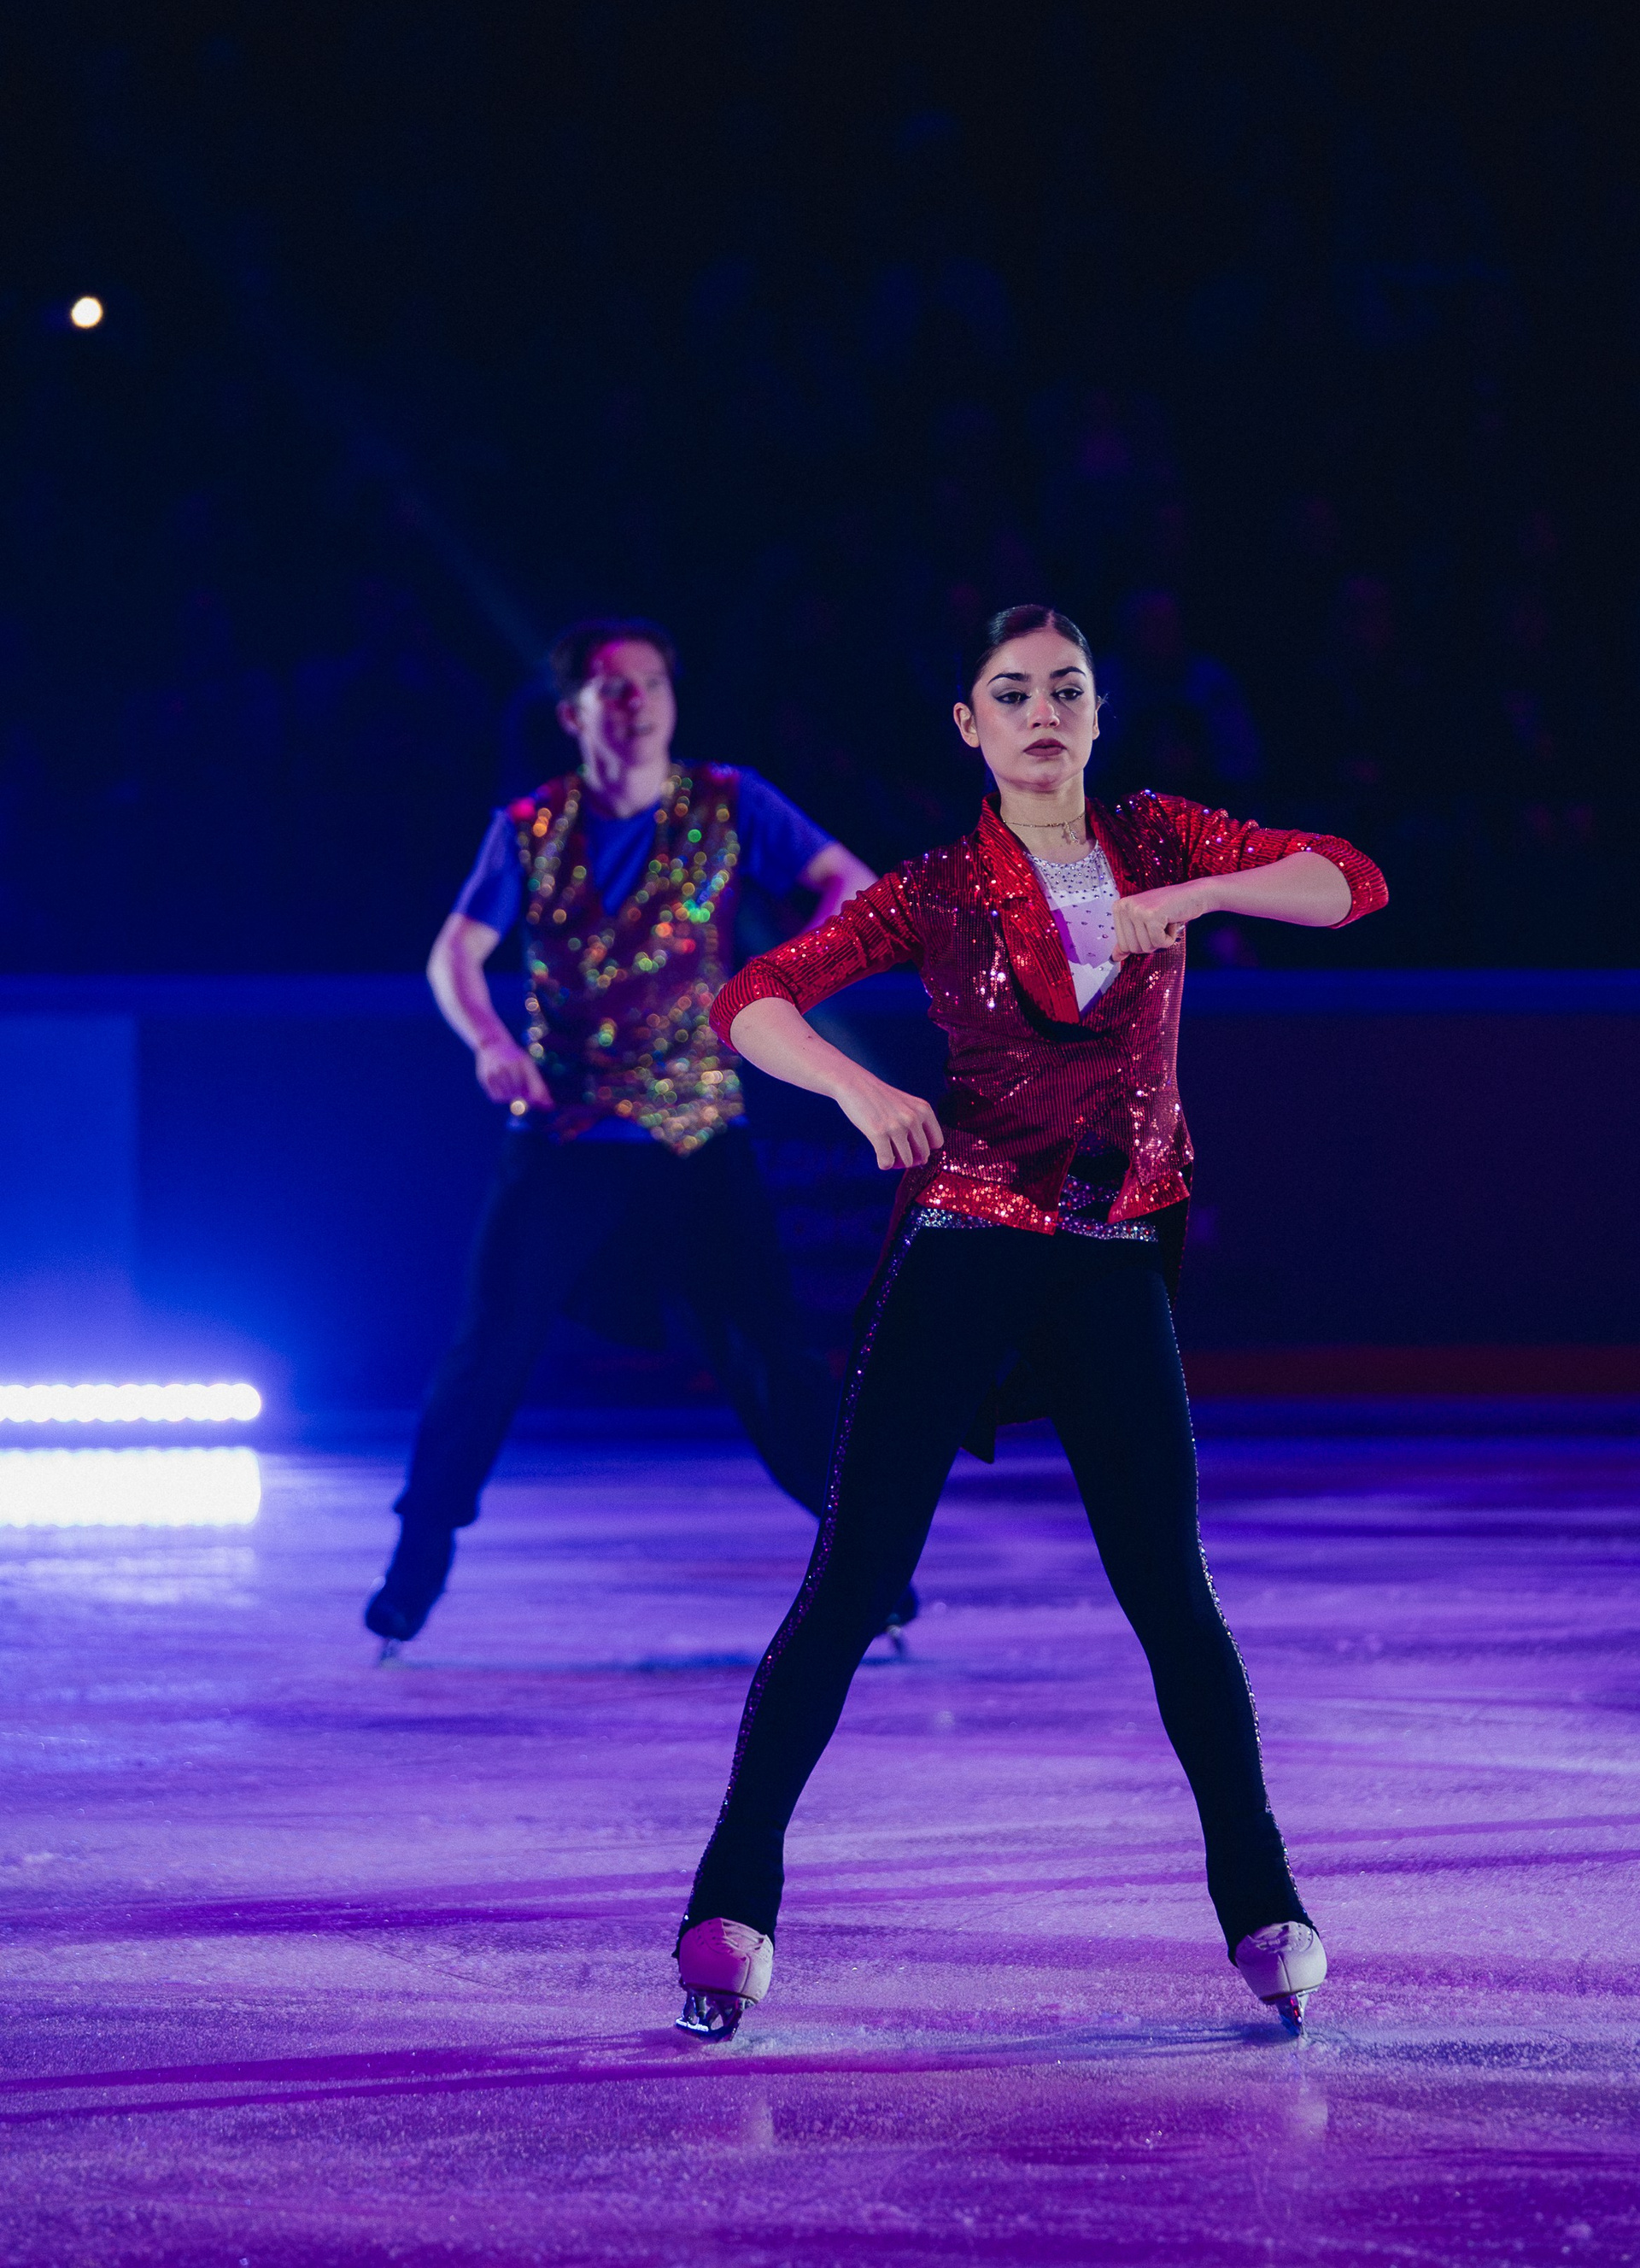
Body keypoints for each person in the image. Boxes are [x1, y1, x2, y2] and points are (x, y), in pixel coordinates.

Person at [671, 602, 1387, 2041]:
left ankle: (1264, 1904)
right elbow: (752, 996)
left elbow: (1351, 885)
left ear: (1099, 711)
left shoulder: (1162, 839)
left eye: (1067, 688)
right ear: (970, 724)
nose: (1044, 712)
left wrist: (1191, 901)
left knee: (1173, 1596)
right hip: (964, 1251)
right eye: (1013, 692)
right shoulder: (938, 890)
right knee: (853, 1582)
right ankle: (731, 1902)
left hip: (1112, 1264)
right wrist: (860, 1090)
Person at [364, 618, 893, 1650]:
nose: (638, 703)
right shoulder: (529, 827)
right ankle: (415, 1562)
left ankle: (872, 1567)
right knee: (488, 1346)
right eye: (614, 689)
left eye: (652, 684)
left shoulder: (731, 801)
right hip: (564, 1132)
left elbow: (854, 883)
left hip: (698, 1132)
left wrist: (780, 975)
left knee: (771, 1361)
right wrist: (489, 1042)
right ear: (573, 715)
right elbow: (453, 956)